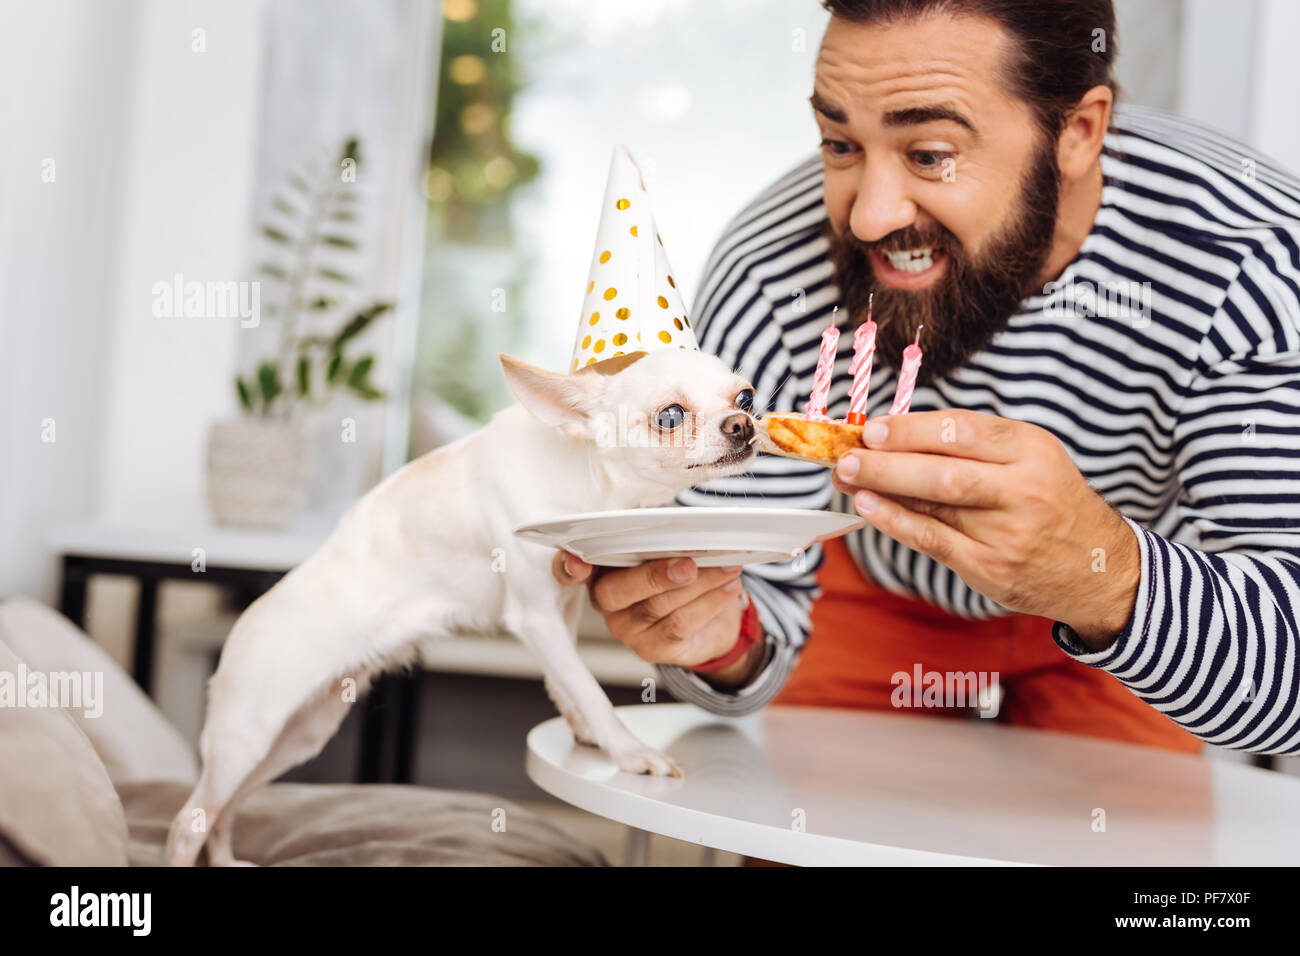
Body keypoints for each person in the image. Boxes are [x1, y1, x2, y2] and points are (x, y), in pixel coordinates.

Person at [553, 0, 1300, 755]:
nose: (871, 217)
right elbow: (755, 618)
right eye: (840, 143)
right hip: (869, 594)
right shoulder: (767, 274)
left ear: (1078, 133)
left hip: (1130, 615)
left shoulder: (1248, 267)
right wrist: (715, 635)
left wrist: (1104, 580)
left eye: (930, 154)